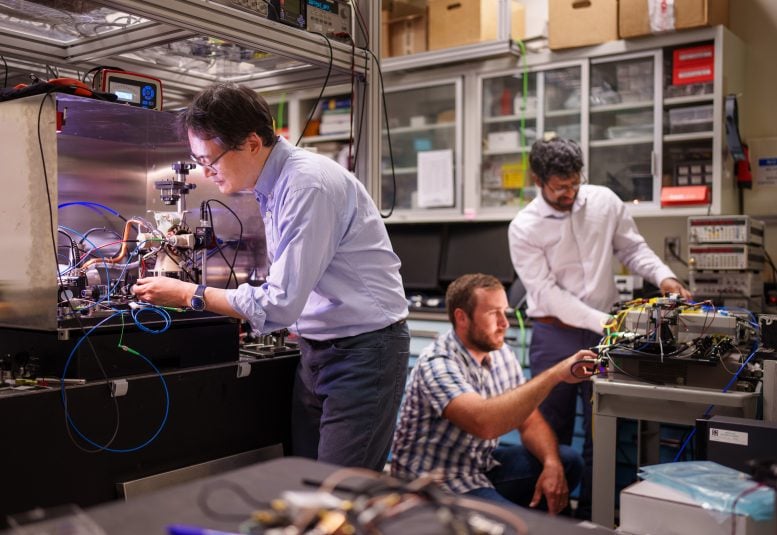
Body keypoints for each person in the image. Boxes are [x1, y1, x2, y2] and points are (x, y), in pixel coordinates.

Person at [131, 83, 410, 471]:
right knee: (305, 482)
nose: (207, 174)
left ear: (251, 143)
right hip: (319, 348)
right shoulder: (273, 184)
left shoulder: (306, 185)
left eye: (211, 160)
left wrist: (188, 294)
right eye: (199, 162)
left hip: (364, 352)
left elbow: (281, 302)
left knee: (341, 496)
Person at [507, 137, 692, 517]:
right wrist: (606, 322)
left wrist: (665, 277)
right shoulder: (524, 227)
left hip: (602, 333)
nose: (569, 193)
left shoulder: (605, 202)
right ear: (537, 180)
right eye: (560, 187)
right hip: (553, 333)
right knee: (549, 432)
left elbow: (632, 248)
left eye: (575, 183)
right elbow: (547, 292)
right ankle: (547, 517)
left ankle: (595, 516)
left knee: (602, 425)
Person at [390, 273, 597, 514]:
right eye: (492, 314)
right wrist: (556, 374)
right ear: (462, 318)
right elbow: (484, 423)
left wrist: (551, 464)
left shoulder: (501, 354)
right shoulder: (437, 363)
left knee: (566, 461)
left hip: (478, 467)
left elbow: (529, 420)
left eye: (504, 312)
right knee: (516, 527)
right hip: (434, 484)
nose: (504, 323)